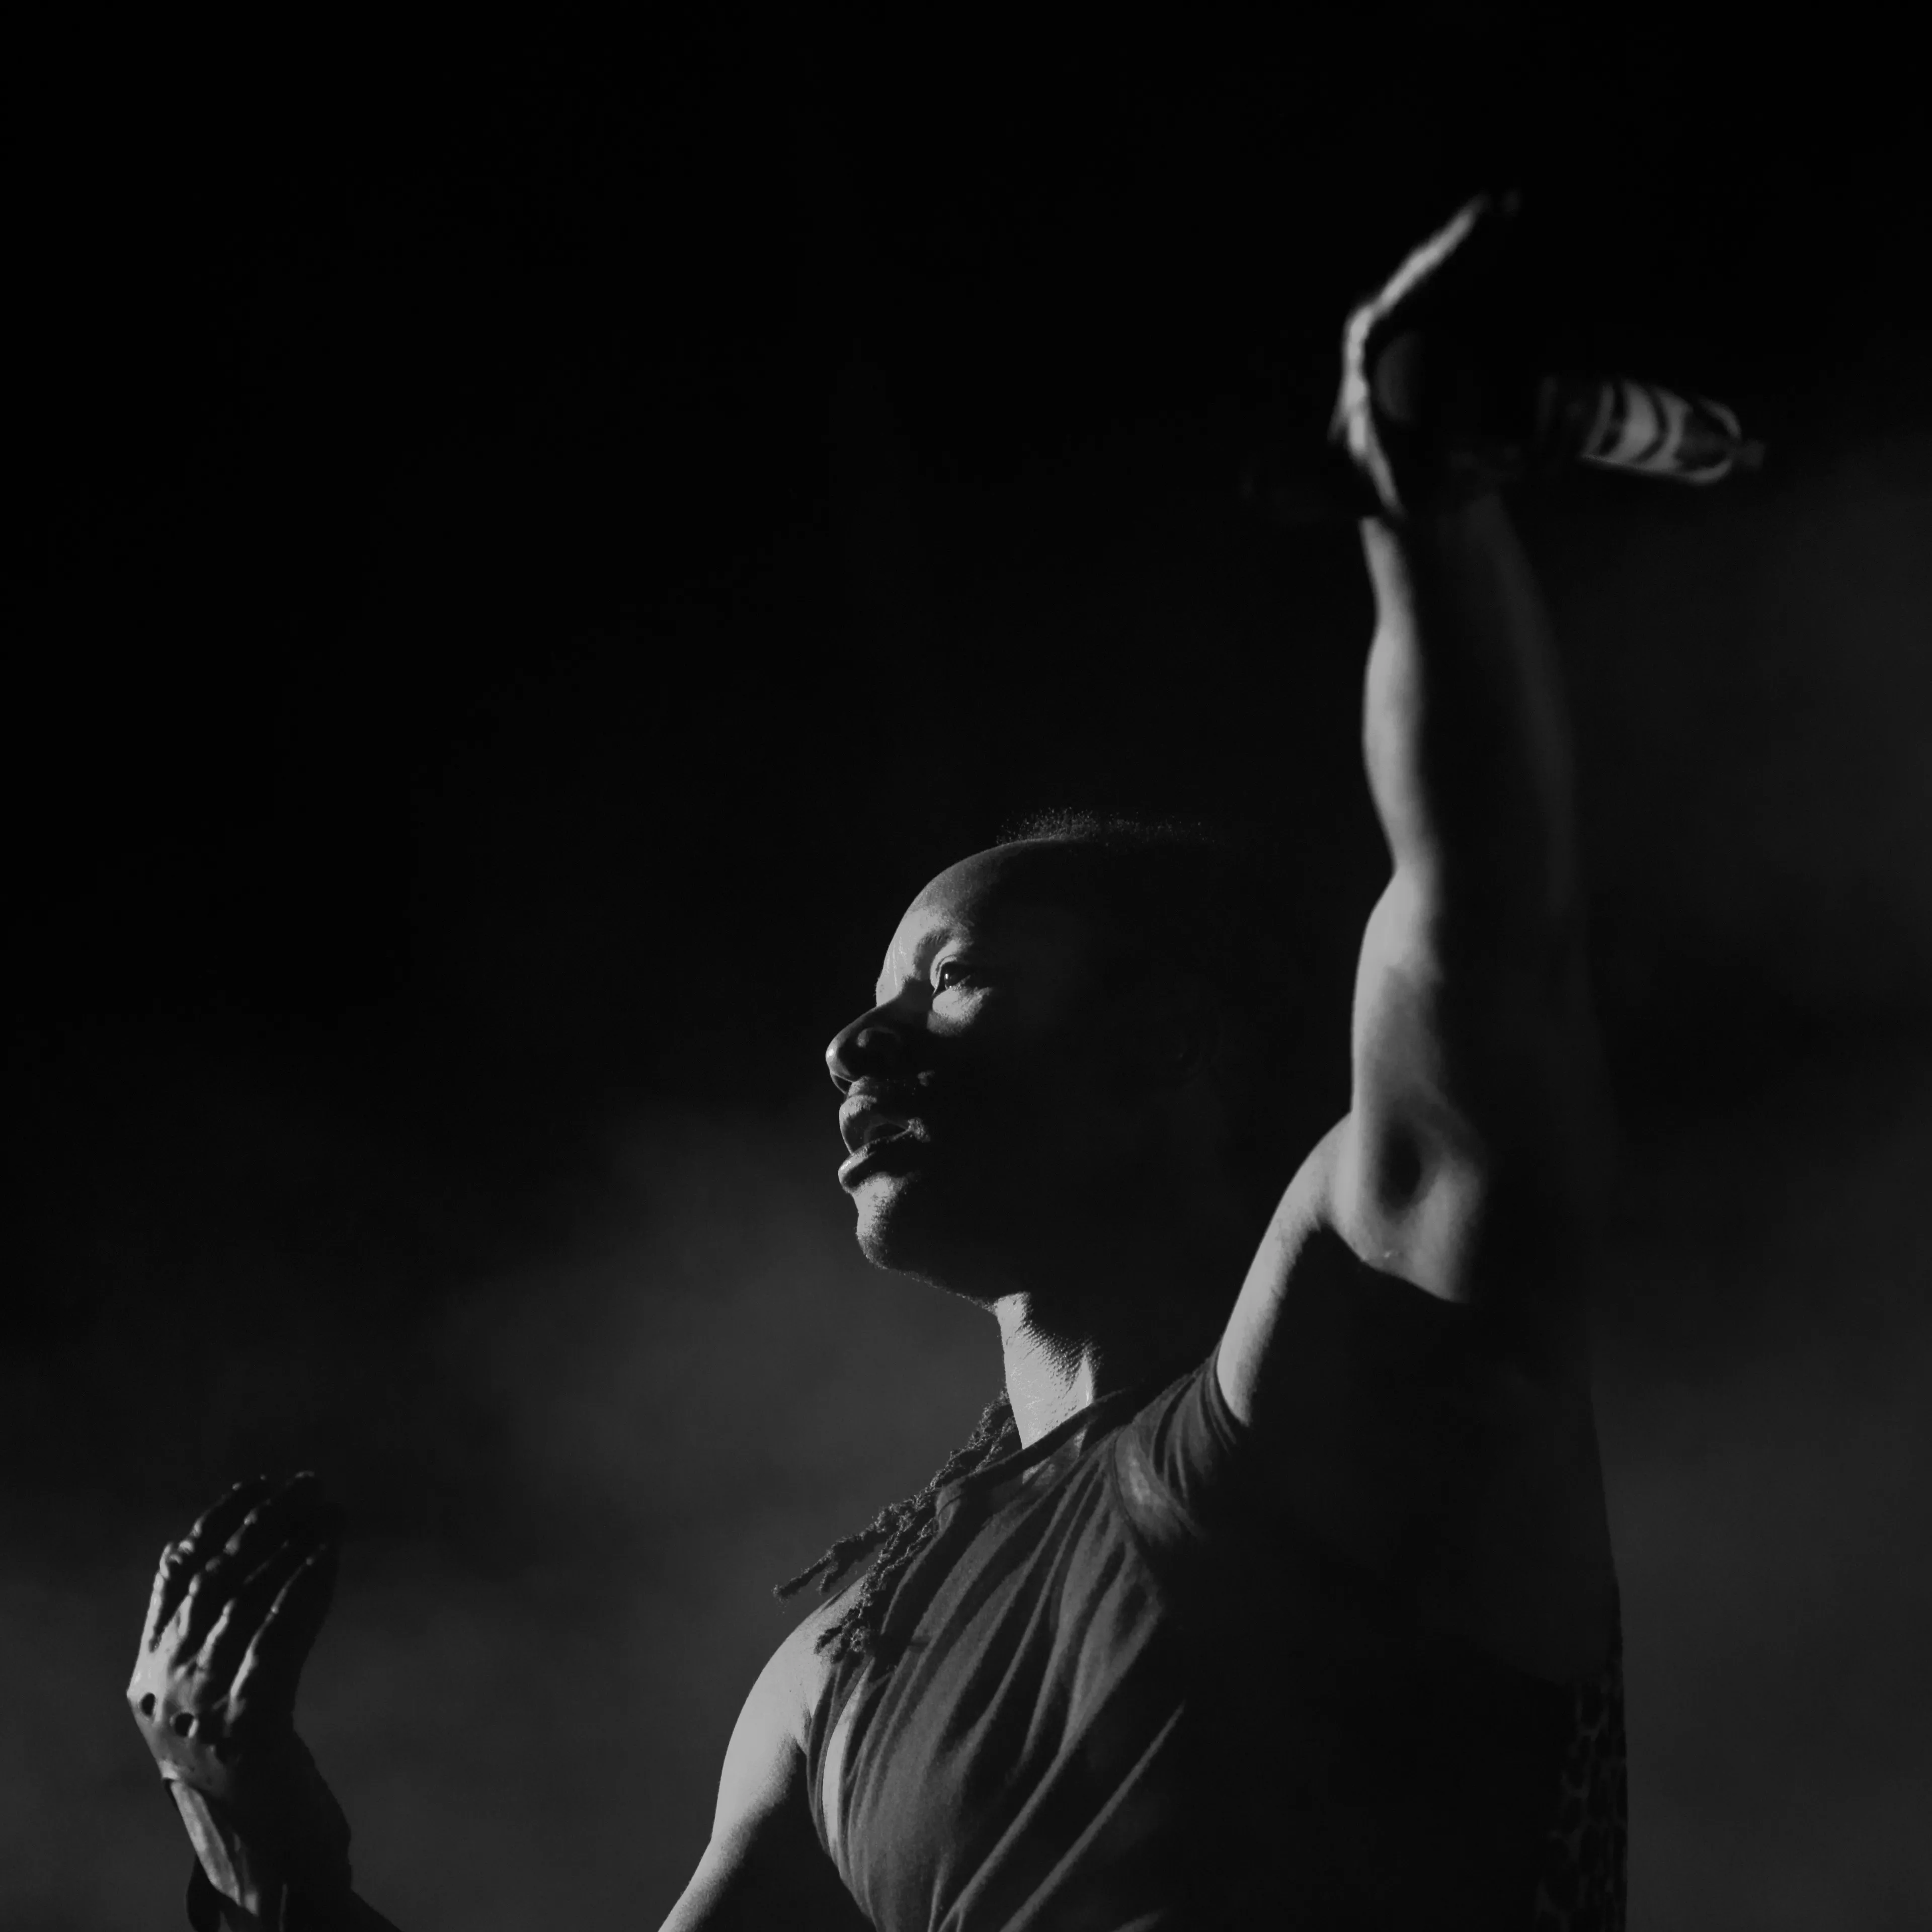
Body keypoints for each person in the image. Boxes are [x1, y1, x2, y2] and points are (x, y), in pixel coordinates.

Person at [129, 194, 1626, 1929]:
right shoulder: (836, 1669)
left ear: (1169, 1051)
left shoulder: (1365, 1376)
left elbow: (1478, 929)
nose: (858, 1041)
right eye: (874, 996)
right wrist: (268, 1862)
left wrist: (1429, 523)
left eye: (951, 982)